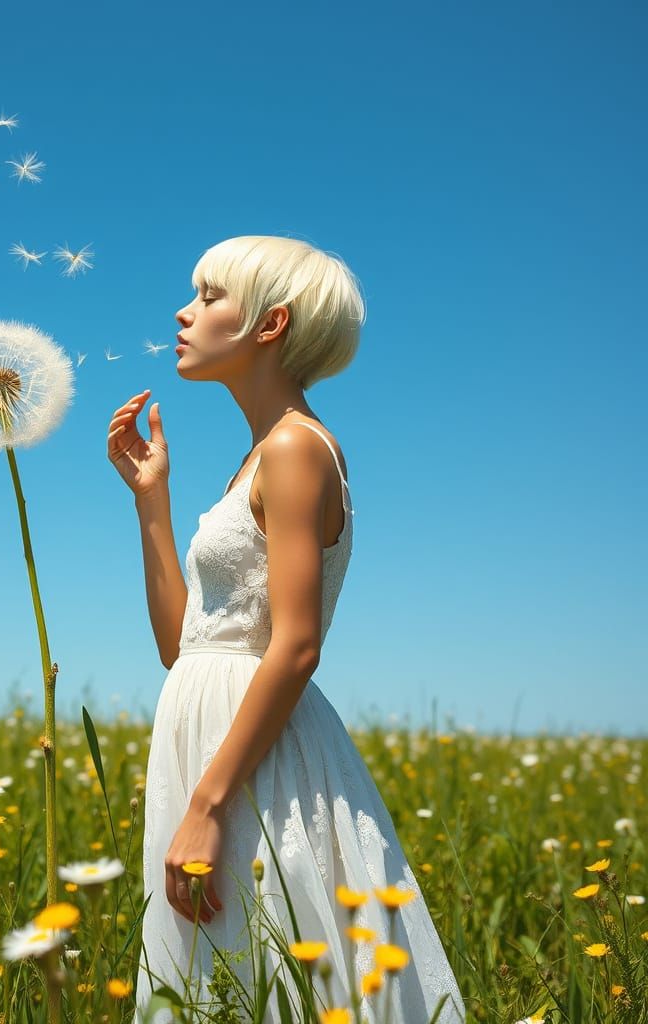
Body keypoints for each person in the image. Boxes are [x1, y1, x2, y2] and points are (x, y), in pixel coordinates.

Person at [106, 236, 466, 1023]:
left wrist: (208, 802)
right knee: (224, 975)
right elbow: (184, 649)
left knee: (275, 969)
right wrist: (152, 503)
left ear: (270, 324)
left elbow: (296, 644)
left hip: (251, 757)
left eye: (208, 296)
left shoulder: (298, 448)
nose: (184, 310)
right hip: (212, 733)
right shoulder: (256, 457)